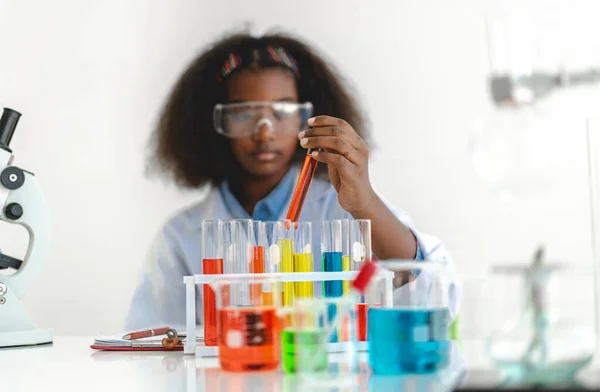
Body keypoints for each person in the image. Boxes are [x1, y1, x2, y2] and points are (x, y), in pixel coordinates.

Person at [124, 30, 461, 330]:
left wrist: (366, 204)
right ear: (213, 123)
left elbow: (440, 300)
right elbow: (148, 348)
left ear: (307, 118)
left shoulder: (343, 212)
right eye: (244, 113)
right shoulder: (182, 237)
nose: (264, 132)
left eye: (283, 112)